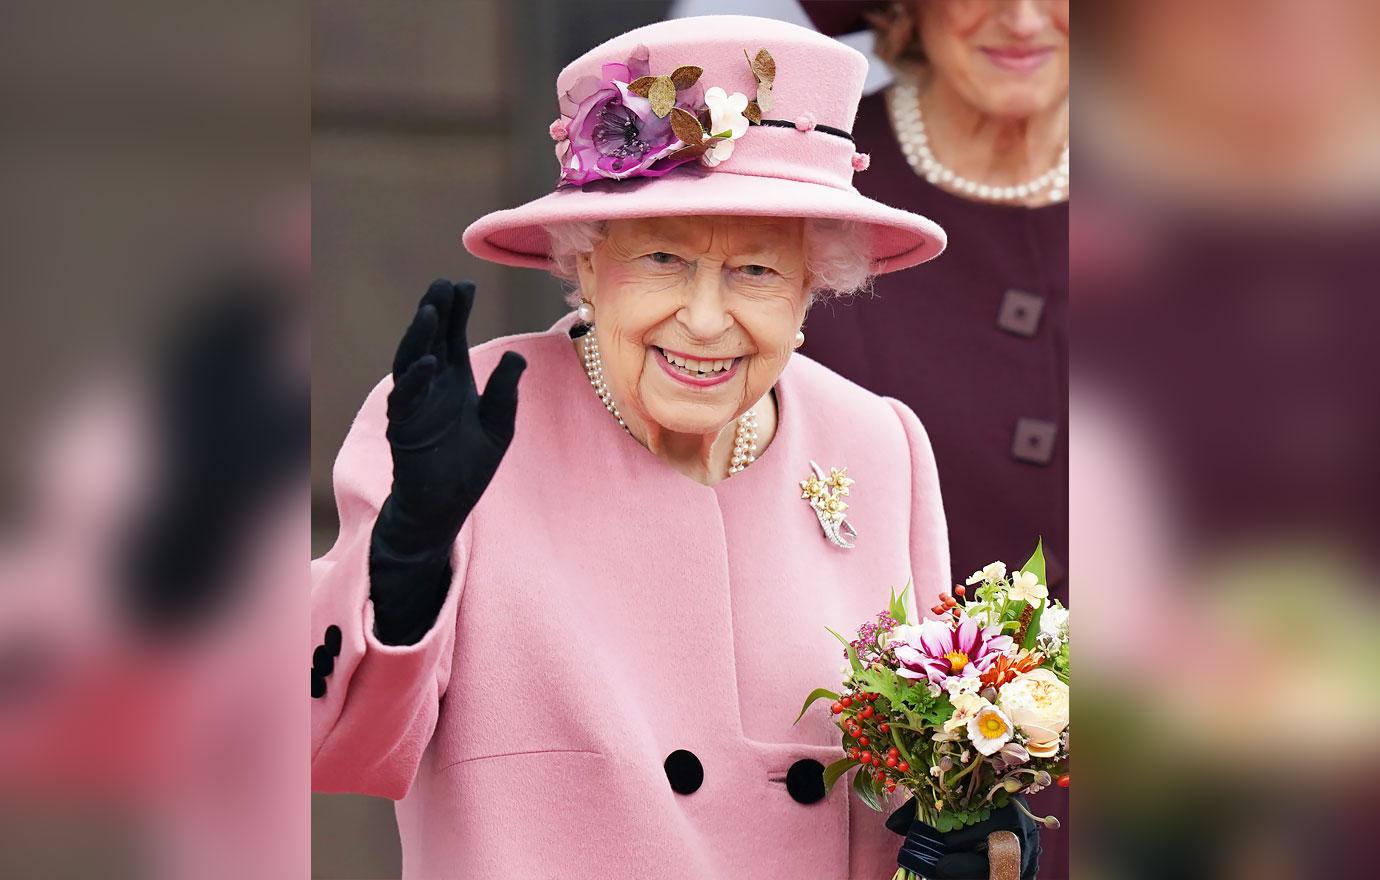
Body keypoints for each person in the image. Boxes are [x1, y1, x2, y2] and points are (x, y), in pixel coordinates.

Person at [311, 15, 958, 878]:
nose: (702, 318)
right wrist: (404, 560)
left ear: (815, 283)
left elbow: (922, 785)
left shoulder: (880, 448)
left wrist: (967, 844)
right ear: (584, 262)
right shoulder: (459, 428)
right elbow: (323, 749)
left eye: (757, 271)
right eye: (661, 257)